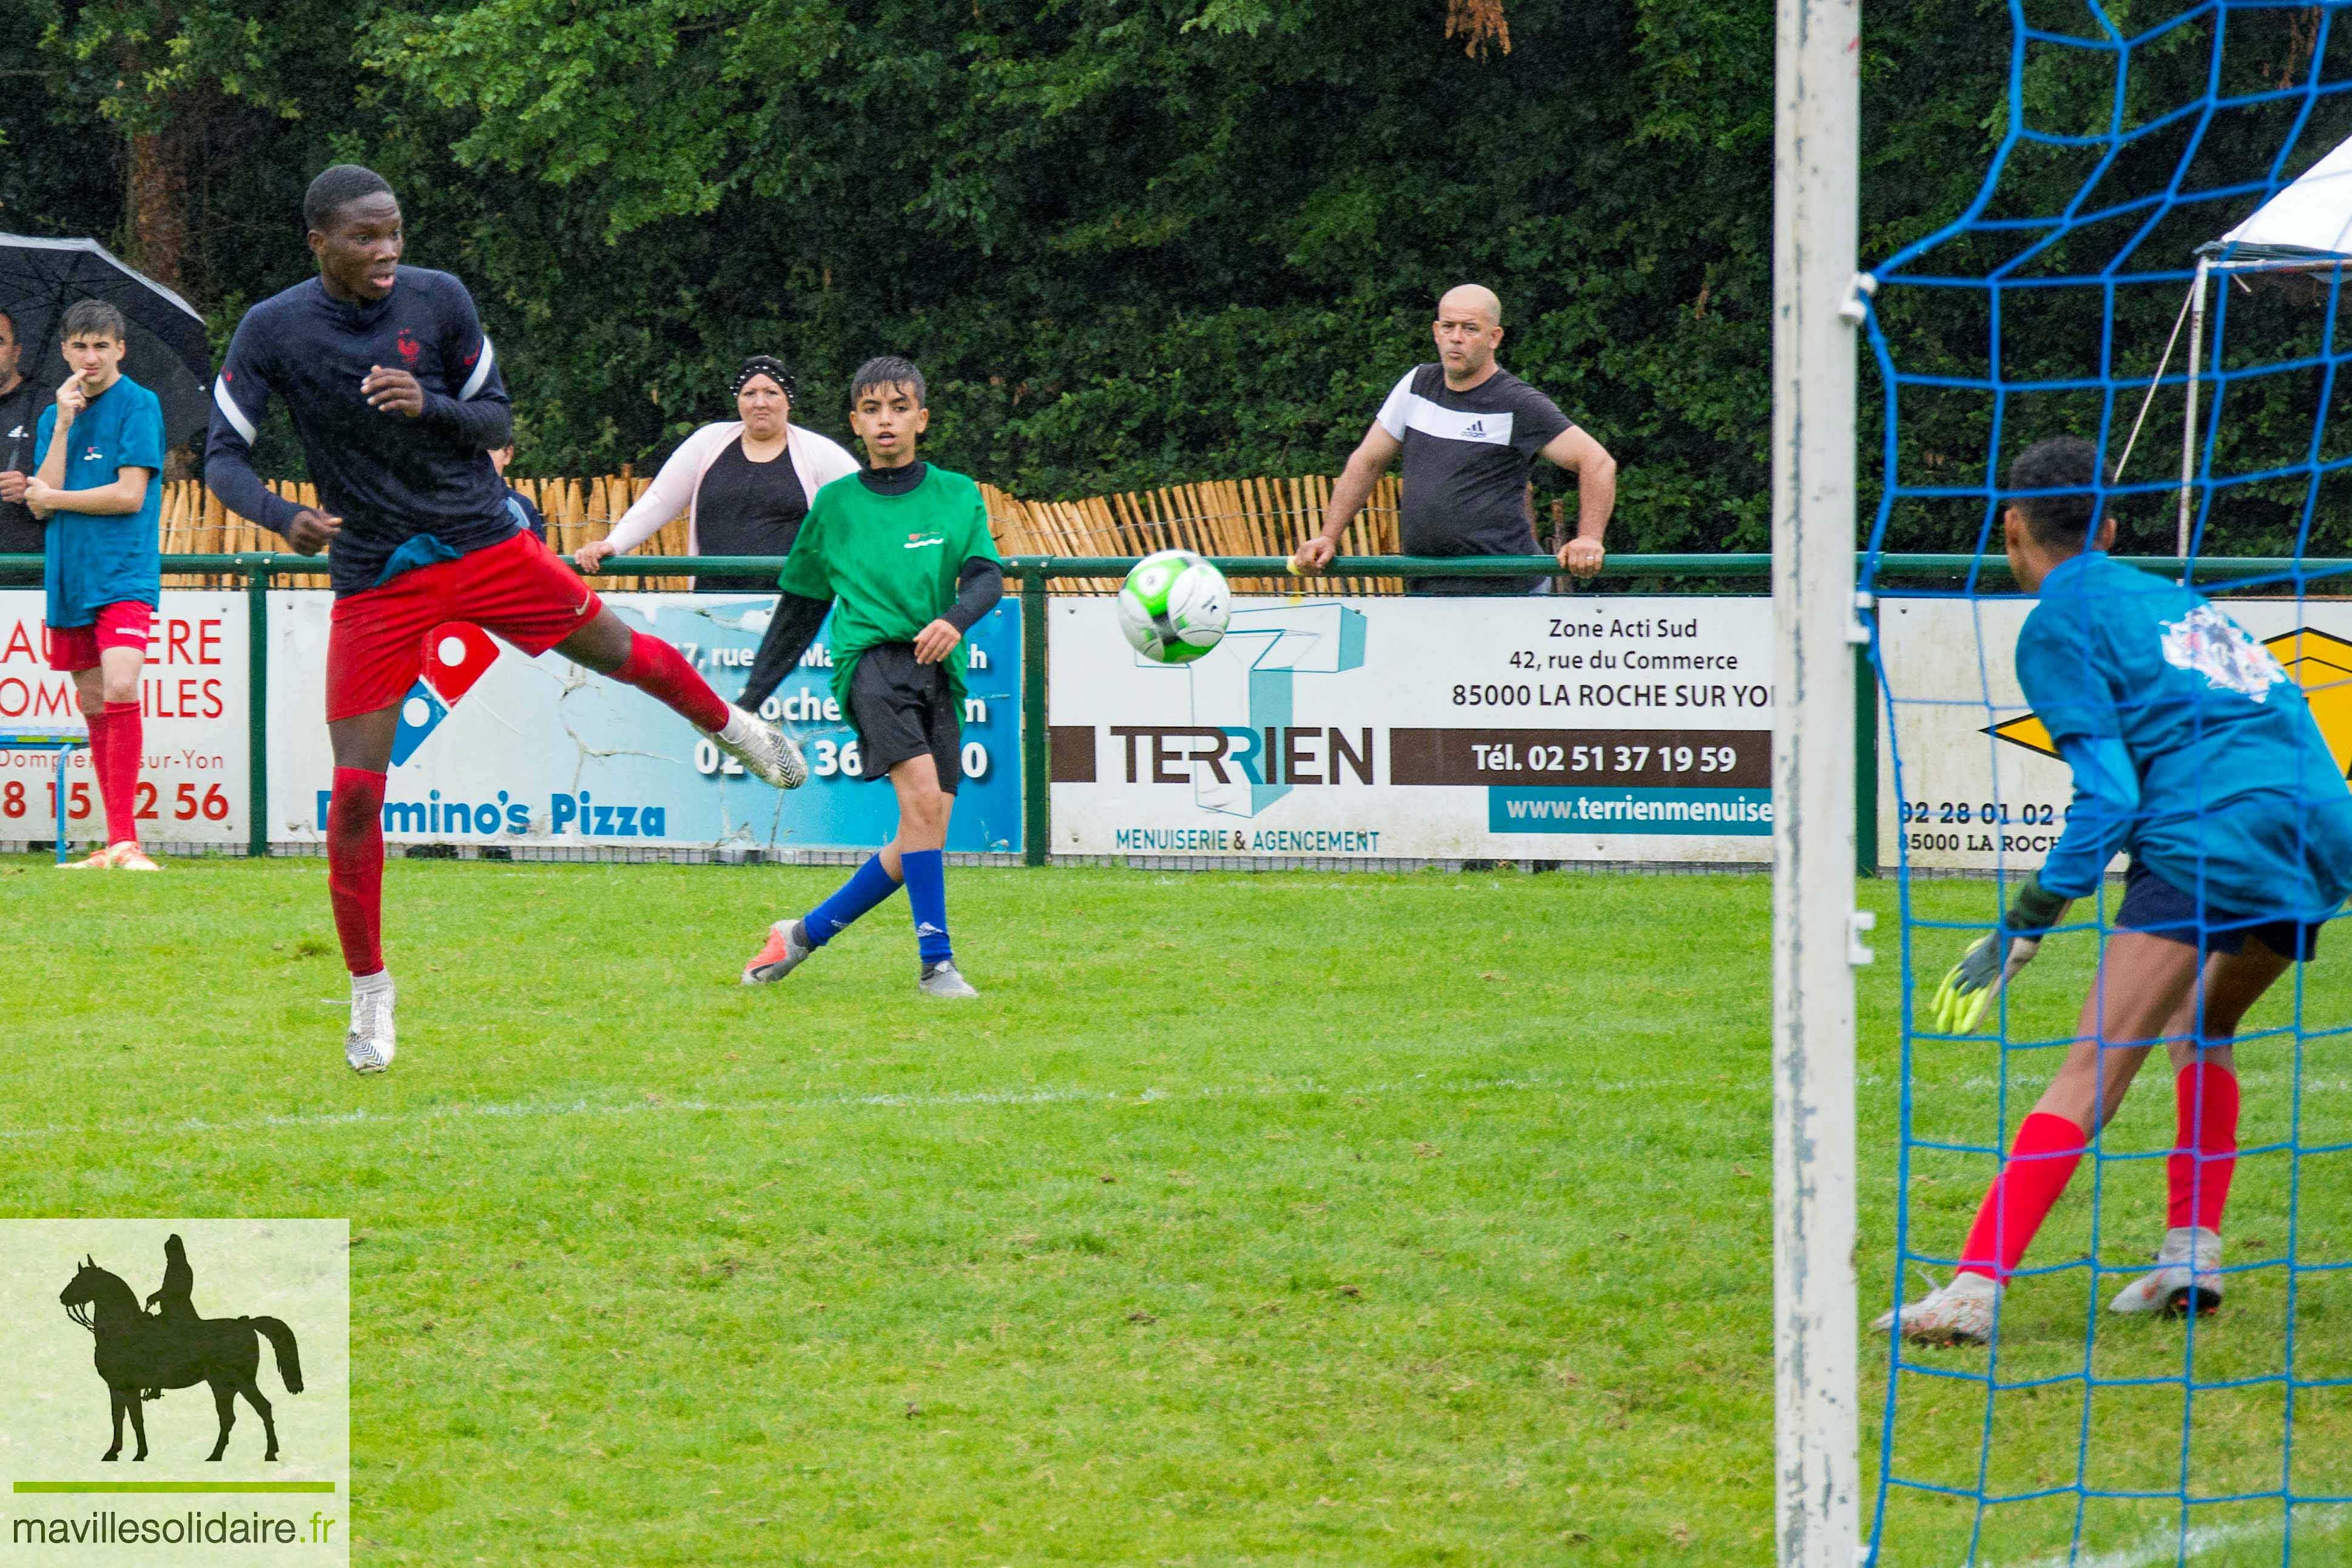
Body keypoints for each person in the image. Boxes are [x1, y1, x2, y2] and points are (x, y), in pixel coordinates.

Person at [203, 164, 805, 1076]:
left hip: (483, 543)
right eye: (365, 237)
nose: (387, 250)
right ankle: (369, 989)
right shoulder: (273, 328)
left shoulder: (439, 301)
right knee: (358, 794)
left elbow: (494, 421)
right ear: (318, 242)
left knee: (620, 652)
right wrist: (283, 518)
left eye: (395, 230)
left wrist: (427, 402)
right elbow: (221, 456)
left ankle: (732, 725)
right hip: (374, 575)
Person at [1878, 436, 2352, 1346]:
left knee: (2092, 1066)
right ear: (2109, 524)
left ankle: (1974, 1288)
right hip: (2317, 824)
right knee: (2203, 1025)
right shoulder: (2173, 596)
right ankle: (2190, 1253)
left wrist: (2030, 921)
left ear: (2010, 525)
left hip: (2210, 832)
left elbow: (2114, 795)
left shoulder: (2056, 624)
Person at [734, 355, 1002, 999]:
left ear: (922, 419)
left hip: (940, 668)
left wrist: (955, 619)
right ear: (855, 422)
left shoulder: (957, 492)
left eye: (900, 407)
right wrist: (746, 702)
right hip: (870, 665)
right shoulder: (835, 504)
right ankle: (936, 964)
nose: (887, 421)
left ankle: (801, 934)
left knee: (926, 827)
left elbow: (986, 576)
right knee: (920, 804)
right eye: (873, 410)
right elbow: (801, 606)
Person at [1291, 284, 1617, 595]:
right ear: (1436, 331)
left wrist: (1588, 539)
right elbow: (1367, 461)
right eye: (1448, 327)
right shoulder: (1416, 385)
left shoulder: (1518, 402)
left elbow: (1597, 462)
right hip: (1427, 582)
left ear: (1495, 338)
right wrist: (1328, 537)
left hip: (1506, 587)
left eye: (1470, 329)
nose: (1456, 338)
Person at [23, 300, 165, 872]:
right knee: (91, 702)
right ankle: (115, 843)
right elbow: (39, 500)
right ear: (64, 351)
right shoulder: (53, 415)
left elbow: (129, 495)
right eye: (80, 346)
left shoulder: (140, 405)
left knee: (122, 684)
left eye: (101, 346)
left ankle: (128, 841)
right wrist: (60, 422)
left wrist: (53, 499)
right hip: (69, 574)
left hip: (123, 572)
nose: (90, 357)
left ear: (120, 350)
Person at [575, 356, 857, 591]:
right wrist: (613, 544)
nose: (760, 402)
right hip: (713, 600)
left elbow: (861, 508)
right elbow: (659, 501)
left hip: (790, 600)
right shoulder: (707, 442)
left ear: (789, 401)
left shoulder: (819, 452)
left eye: (771, 393)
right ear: (738, 401)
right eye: (750, 394)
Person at [0, 309, 57, 562]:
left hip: (29, 568)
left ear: (16, 351)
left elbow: (77, 482)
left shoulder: (49, 405)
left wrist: (30, 489)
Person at [488, 443, 545, 541]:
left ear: (508, 455)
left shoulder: (522, 507)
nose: (482, 459)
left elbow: (538, 553)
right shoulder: (455, 506)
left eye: (491, 451)